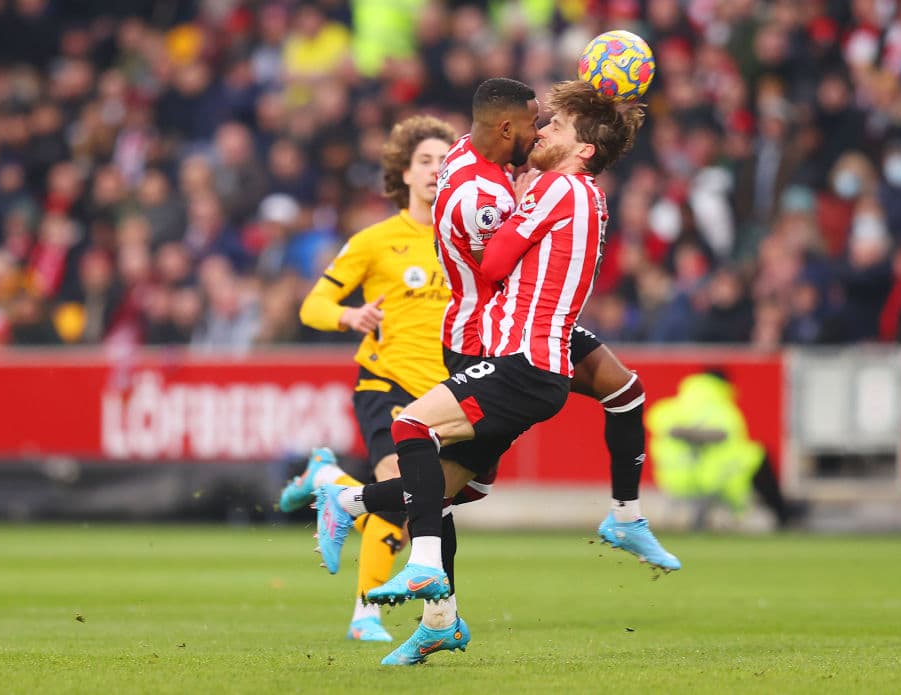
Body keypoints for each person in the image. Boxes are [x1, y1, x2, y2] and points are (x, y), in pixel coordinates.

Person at [315, 80, 658, 666]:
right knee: (452, 485)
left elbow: (496, 262)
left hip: (511, 353)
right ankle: (434, 614)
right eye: (536, 122)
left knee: (413, 431)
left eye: (553, 125)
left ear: (582, 149)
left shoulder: (540, 184)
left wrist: (522, 199)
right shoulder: (563, 190)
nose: (541, 131)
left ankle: (409, 550)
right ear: (503, 129)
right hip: (519, 350)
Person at [284, 115, 495, 641]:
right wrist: (349, 316)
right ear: (404, 172)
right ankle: (366, 616)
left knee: (422, 501)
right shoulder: (375, 241)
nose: (435, 169)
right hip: (388, 384)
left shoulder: (471, 240)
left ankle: (329, 483)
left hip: (446, 392)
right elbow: (313, 305)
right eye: (424, 161)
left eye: (445, 161)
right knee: (406, 491)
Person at [646, 369, 805, 529]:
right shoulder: (720, 407)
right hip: (713, 477)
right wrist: (700, 436)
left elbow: (661, 425)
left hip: (674, 478)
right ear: (724, 384)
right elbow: (722, 435)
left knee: (752, 456)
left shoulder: (670, 406)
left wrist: (687, 435)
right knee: (757, 455)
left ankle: (781, 511)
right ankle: (781, 512)